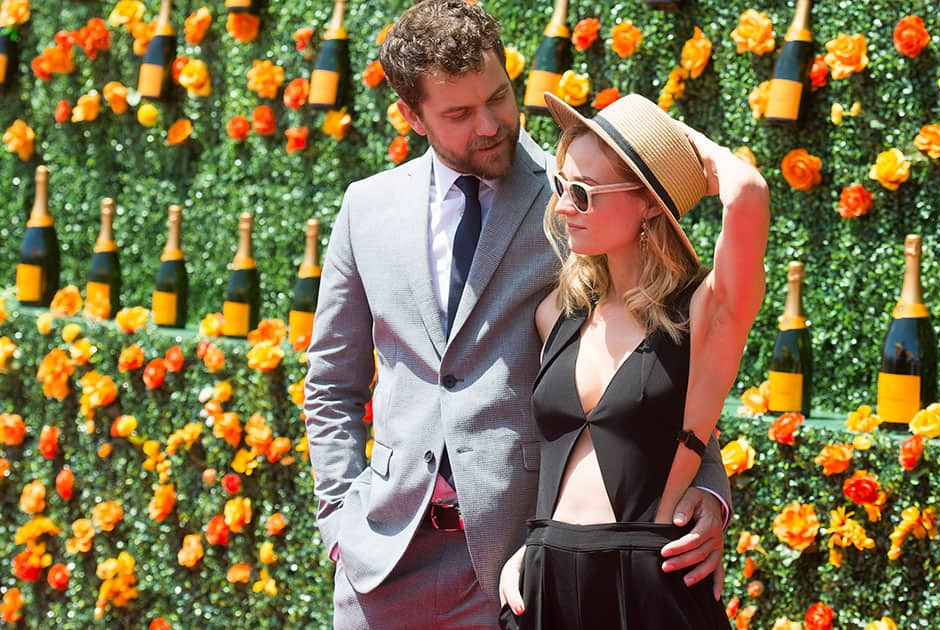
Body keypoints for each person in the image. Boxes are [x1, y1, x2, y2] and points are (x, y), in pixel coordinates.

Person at [304, 2, 733, 628]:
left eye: (499, 97)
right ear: (410, 115)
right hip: (382, 562)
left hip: (521, 567)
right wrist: (340, 524)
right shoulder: (365, 208)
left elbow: (663, 344)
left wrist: (709, 490)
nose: (491, 124)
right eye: (459, 113)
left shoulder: (580, 195)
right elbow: (331, 382)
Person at [496, 92, 769, 629]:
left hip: (651, 581)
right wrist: (532, 546)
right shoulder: (557, 313)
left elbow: (749, 193)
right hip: (542, 583)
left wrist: (688, 155)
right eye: (560, 185)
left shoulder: (703, 314)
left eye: (583, 193)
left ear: (648, 202)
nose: (562, 207)